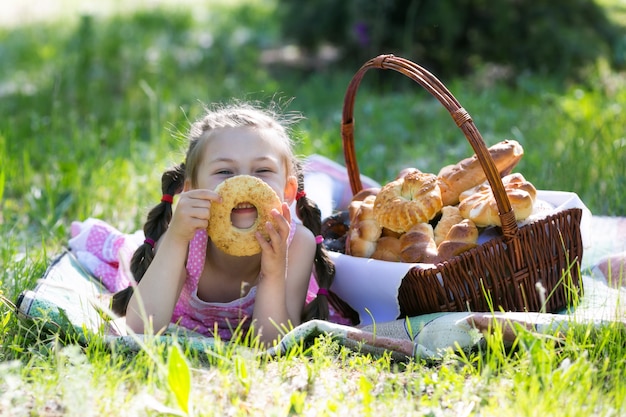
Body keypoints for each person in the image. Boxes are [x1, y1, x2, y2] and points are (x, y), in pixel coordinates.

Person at [111, 101, 356, 345]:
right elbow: (140, 329)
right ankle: (323, 175)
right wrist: (175, 238)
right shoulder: (184, 237)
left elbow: (273, 344)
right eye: (224, 172)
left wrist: (273, 273)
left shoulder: (296, 244)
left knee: (323, 199)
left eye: (262, 170)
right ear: (191, 190)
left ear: (288, 190)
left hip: (292, 229)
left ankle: (325, 176)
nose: (243, 183)